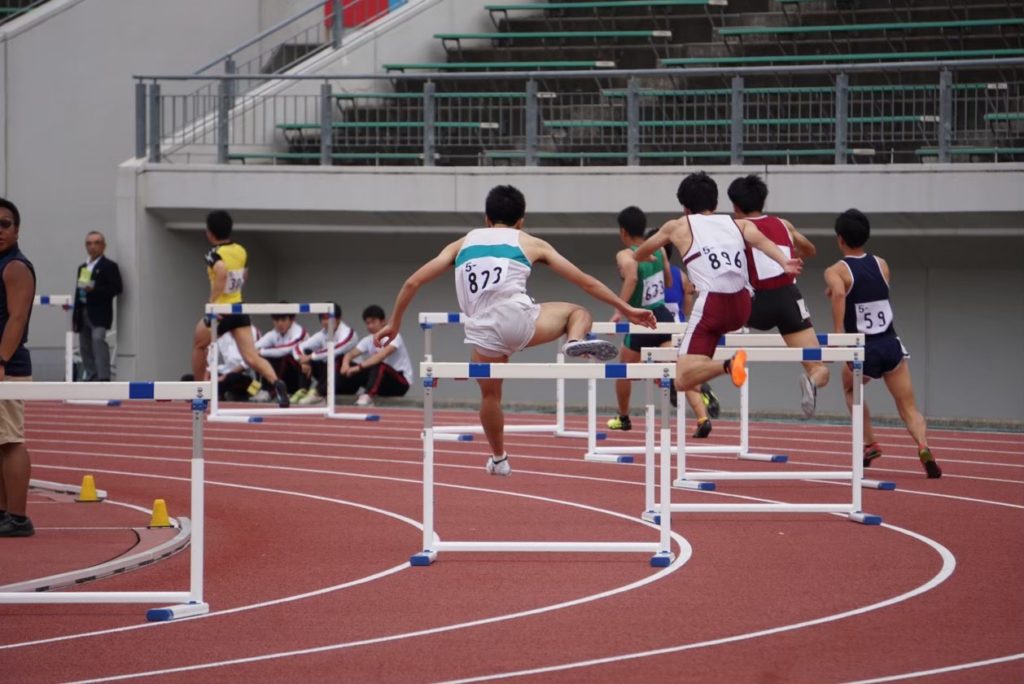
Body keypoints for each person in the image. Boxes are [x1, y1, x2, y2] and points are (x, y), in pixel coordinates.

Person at [374, 184, 656, 477]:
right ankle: (574, 339)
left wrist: (394, 323)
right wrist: (627, 308)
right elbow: (586, 281)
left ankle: (499, 458)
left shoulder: (461, 244)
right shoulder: (531, 243)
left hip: (481, 331)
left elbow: (413, 282)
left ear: (487, 218)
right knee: (577, 312)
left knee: (490, 395)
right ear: (521, 221)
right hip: (519, 322)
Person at [635, 172, 801, 400]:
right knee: (687, 376)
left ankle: (728, 364)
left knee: (681, 378)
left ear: (685, 208)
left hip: (713, 305)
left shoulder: (677, 226)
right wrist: (785, 262)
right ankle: (725, 365)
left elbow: (641, 252)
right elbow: (762, 241)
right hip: (742, 306)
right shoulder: (738, 224)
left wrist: (646, 256)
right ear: (715, 204)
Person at [824, 209, 941, 478]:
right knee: (908, 407)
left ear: (840, 238)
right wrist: (841, 290)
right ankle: (923, 445)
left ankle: (870, 443)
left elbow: (841, 293)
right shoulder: (882, 264)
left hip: (862, 348)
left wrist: (838, 333)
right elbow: (868, 289)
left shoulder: (836, 271)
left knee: (850, 389)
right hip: (890, 344)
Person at [728, 174, 830, 418]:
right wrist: (791, 257)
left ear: (735, 206)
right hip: (788, 300)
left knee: (712, 325)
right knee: (818, 367)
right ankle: (812, 380)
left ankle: (724, 363)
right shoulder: (784, 225)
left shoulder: (736, 228)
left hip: (755, 303)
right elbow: (810, 249)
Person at [607, 208, 715, 438]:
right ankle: (701, 414)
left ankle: (623, 417)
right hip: (662, 316)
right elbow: (667, 281)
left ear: (623, 231)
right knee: (676, 366)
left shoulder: (625, 255)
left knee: (623, 370)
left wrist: (619, 310)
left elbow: (632, 277)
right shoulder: (659, 251)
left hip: (642, 319)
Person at [190, 210, 290, 407]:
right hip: (238, 308)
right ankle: (277, 383)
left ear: (209, 233)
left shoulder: (213, 254)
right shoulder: (241, 251)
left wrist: (211, 303)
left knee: (199, 345)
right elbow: (244, 274)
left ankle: (199, 391)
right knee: (251, 356)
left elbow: (221, 272)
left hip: (221, 310)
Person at [658, 229, 721, 428]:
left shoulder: (651, 272)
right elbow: (687, 305)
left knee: (649, 366)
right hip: (679, 328)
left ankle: (695, 386)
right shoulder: (681, 275)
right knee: (682, 374)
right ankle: (702, 418)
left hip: (660, 329)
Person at [0, 198, 36, 537]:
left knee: (10, 440)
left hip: (7, 365)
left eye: (5, 224)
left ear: (17, 229)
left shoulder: (15, 266)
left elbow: (18, 317)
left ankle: (18, 517)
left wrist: (1, 360)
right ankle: (3, 512)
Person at [339, 305, 414, 407]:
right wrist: (345, 364)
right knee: (345, 363)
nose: (370, 326)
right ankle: (338, 393)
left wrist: (358, 367)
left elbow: (380, 356)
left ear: (383, 321)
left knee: (378, 365)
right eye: (367, 323)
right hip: (382, 382)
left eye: (373, 322)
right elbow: (350, 354)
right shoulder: (368, 340)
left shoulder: (394, 336)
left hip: (400, 383)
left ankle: (367, 396)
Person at [72, 231, 122, 382]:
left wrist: (95, 289)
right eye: (89, 243)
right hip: (83, 311)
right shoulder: (83, 267)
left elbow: (116, 288)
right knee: (84, 346)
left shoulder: (109, 266)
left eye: (96, 243)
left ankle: (103, 377)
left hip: (99, 313)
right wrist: (75, 316)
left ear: (104, 246)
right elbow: (79, 291)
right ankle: (91, 375)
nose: (92, 246)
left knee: (98, 340)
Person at [292, 303, 358, 405]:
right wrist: (303, 362)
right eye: (322, 319)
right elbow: (297, 347)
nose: (325, 322)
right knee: (306, 352)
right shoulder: (322, 334)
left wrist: (310, 357)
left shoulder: (349, 333)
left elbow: (336, 349)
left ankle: (319, 394)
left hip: (349, 378)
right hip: (329, 379)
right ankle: (303, 390)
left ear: (339, 318)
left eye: (328, 318)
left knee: (335, 356)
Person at [256, 306, 308, 397]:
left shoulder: (298, 332)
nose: (279, 324)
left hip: (299, 373)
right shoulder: (273, 333)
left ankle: (273, 391)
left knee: (283, 356)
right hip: (281, 374)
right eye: (276, 320)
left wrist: (261, 352)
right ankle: (262, 390)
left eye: (283, 320)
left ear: (291, 319)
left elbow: (286, 350)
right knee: (258, 358)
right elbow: (254, 348)